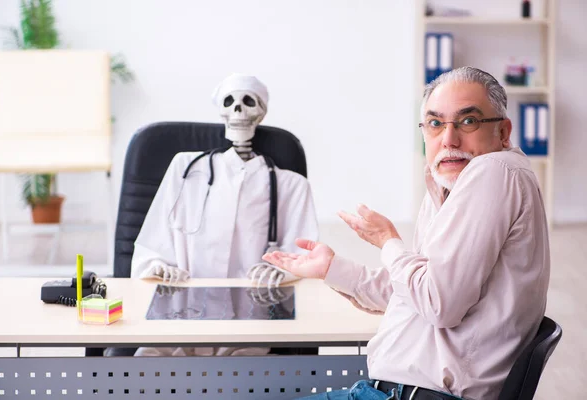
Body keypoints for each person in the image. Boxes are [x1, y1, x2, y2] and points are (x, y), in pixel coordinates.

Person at [262, 66, 550, 400]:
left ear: (503, 132)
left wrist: (388, 242)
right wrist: (331, 268)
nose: (449, 138)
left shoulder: (493, 171)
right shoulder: (447, 183)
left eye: (468, 121)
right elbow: (415, 293)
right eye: (435, 123)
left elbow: (438, 303)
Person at [131, 74, 318, 357]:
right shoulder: (185, 169)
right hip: (179, 320)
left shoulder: (291, 185)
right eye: (230, 103)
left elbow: (303, 261)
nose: (238, 111)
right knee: (145, 376)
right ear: (222, 110)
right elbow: (151, 244)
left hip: (246, 325)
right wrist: (157, 266)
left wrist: (282, 271)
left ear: (261, 111)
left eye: (248, 103)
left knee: (242, 383)